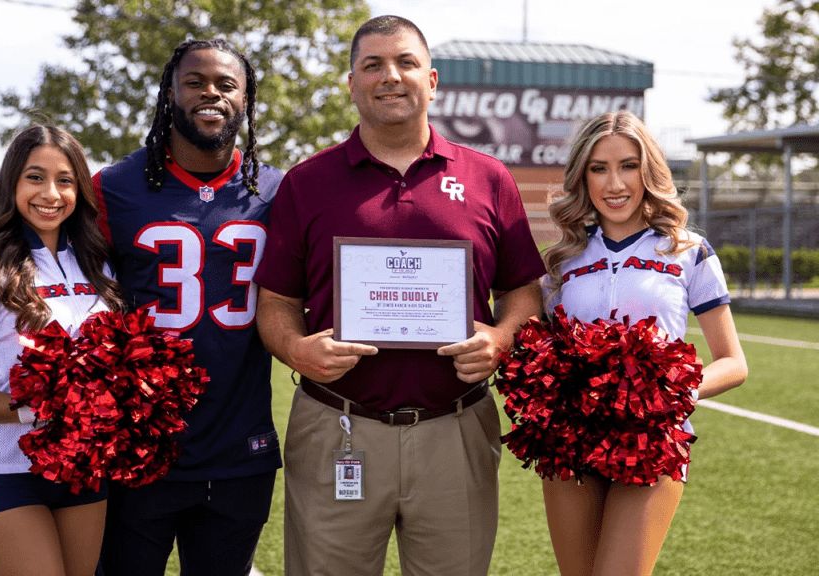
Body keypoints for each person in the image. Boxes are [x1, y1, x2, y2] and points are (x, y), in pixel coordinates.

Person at [253, 16, 545, 576]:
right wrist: (295, 350)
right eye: (373, 65)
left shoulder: (488, 178)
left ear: (431, 80)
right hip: (337, 425)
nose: (391, 76)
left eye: (406, 62)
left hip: (455, 427)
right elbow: (276, 302)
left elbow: (522, 289)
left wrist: (503, 339)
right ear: (351, 83)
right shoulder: (307, 181)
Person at [93, 39, 283, 576]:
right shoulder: (113, 187)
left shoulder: (276, 190)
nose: (211, 94)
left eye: (227, 85)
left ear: (245, 100)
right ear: (169, 92)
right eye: (196, 81)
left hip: (240, 445)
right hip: (139, 444)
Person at [539, 110, 748, 576]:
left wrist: (669, 392)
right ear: (582, 177)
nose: (614, 183)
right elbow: (542, 356)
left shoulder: (688, 250)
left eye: (628, 165)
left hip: (652, 440)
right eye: (599, 168)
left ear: (648, 170)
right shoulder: (561, 261)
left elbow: (733, 363)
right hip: (572, 442)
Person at [0, 124, 124, 576]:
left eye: (65, 180)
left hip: (85, 468)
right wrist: (39, 409)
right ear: (12, 183)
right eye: (35, 177)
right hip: (7, 473)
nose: (50, 193)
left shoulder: (100, 267)